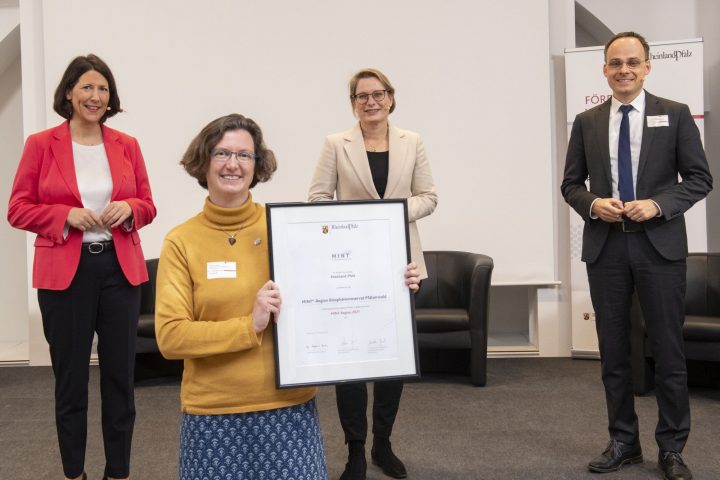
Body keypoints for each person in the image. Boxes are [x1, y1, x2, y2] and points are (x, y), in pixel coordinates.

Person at [154, 112, 421, 479]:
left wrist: (390, 284)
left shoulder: (290, 229)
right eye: (222, 153)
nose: (233, 164)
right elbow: (171, 337)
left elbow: (336, 288)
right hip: (213, 414)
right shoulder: (181, 241)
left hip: (288, 410)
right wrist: (249, 325)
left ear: (257, 165)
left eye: (244, 155)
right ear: (203, 161)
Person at [561, 32, 712, 480]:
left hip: (658, 246)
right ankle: (624, 441)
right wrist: (592, 204)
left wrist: (659, 204)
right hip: (606, 247)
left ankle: (671, 448)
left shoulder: (676, 114)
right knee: (614, 351)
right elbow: (571, 185)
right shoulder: (587, 120)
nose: (623, 70)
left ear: (647, 66)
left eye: (632, 62)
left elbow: (700, 179)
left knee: (667, 350)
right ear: (604, 70)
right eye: (614, 63)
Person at [7, 54, 156, 480]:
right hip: (65, 275)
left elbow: (148, 204)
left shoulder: (127, 144)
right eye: (87, 87)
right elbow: (17, 209)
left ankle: (118, 472)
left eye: (103, 88)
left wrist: (129, 207)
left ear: (111, 98)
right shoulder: (41, 144)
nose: (95, 96)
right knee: (71, 383)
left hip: (120, 271)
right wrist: (63, 216)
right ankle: (74, 474)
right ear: (69, 92)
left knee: (120, 381)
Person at [308, 68, 438, 480]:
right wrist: (356, 221)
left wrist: (391, 213)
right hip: (349, 265)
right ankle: (356, 450)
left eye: (378, 94)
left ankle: (383, 442)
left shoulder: (412, 141)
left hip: (401, 266)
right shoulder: (336, 144)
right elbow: (316, 198)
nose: (371, 102)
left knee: (391, 358)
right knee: (350, 359)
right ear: (353, 103)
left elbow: (429, 197)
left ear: (391, 98)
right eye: (362, 96)